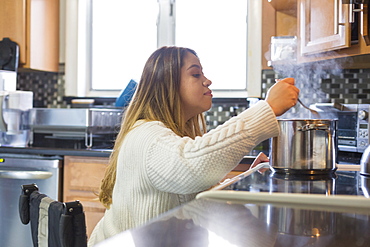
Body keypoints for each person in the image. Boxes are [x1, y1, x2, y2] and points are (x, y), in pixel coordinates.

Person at [88, 46, 299, 246]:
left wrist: (247, 176)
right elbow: (191, 167)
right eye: (196, 74)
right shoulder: (146, 135)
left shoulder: (169, 135)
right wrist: (268, 108)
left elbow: (192, 197)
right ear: (167, 84)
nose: (207, 81)